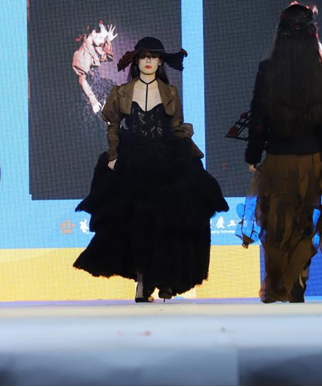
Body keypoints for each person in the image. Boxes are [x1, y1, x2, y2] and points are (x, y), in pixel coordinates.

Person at [74, 37, 229, 302]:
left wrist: (189, 154)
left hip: (168, 157)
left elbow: (176, 126)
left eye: (154, 56)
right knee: (138, 223)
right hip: (133, 158)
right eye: (144, 56)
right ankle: (144, 281)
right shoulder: (122, 92)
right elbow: (113, 126)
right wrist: (113, 155)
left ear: (160, 61)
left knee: (170, 220)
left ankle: (166, 280)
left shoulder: (170, 92)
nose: (148, 61)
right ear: (136, 60)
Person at [241, 3, 322, 303]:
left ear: (280, 34)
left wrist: (253, 153)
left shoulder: (267, 70)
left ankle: (282, 283)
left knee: (278, 225)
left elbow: (259, 116)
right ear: (310, 35)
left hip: (278, 159)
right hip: (312, 160)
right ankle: (296, 283)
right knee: (304, 224)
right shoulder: (319, 72)